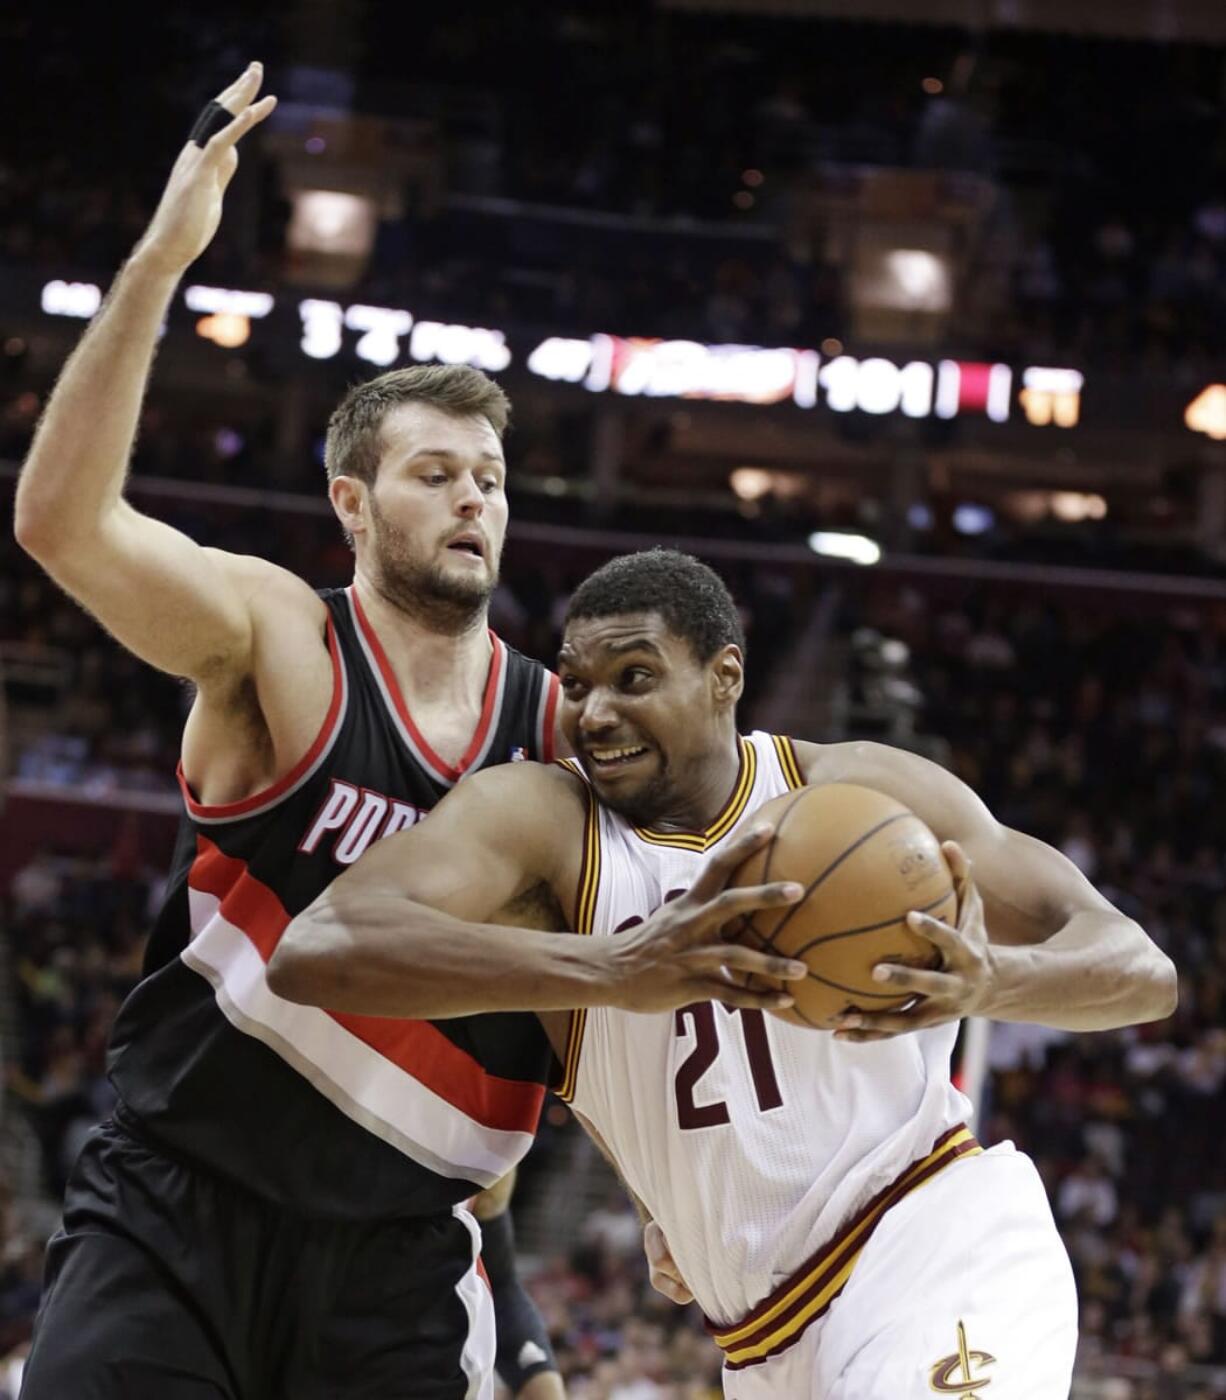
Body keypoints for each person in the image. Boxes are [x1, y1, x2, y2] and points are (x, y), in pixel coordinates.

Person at [12, 67, 805, 1400]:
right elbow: (60, 527)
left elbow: (644, 978)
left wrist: (589, 1275)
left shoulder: (567, 734)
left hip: (405, 1250)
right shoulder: (283, 640)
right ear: (352, 502)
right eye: (433, 474)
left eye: (488, 480)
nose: (469, 501)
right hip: (177, 1206)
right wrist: (160, 262)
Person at [269, 549, 1178, 1399]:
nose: (594, 713)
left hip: (936, 1244)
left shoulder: (860, 793)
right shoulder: (540, 824)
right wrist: (613, 966)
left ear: (725, 679)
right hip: (759, 1343)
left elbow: (1140, 969)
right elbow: (320, 949)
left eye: (635, 679)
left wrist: (992, 983)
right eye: (578, 685)